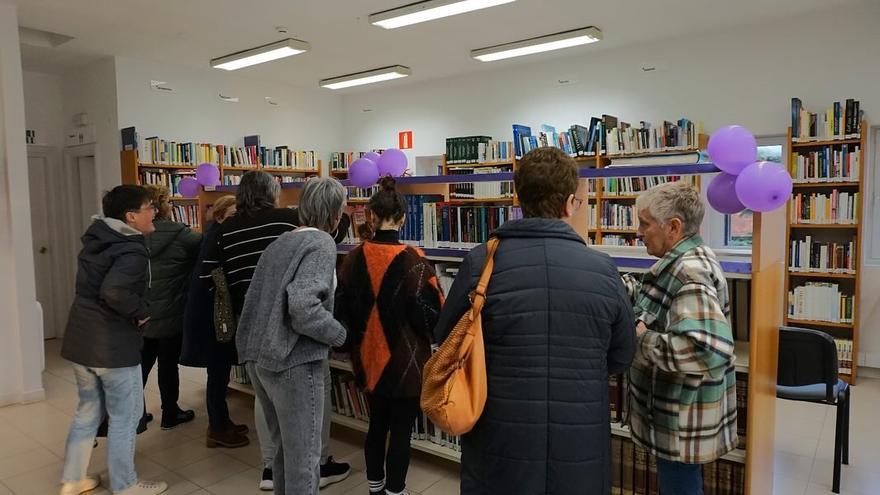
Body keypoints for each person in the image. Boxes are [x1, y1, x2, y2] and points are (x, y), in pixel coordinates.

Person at [433, 147, 636, 495]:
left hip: (498, 437)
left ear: (518, 197)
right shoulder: (604, 270)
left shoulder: (481, 262)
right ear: (571, 203)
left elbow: (447, 338)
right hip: (579, 439)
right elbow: (621, 356)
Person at [200, 172, 350, 491]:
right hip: (293, 362)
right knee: (305, 461)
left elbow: (258, 299)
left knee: (282, 453)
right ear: (336, 214)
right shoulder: (321, 243)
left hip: (260, 358)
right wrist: (339, 335)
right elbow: (303, 308)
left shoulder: (282, 242)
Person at [623, 180, 737, 495]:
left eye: (645, 224)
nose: (639, 231)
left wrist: (641, 341)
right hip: (681, 415)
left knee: (680, 487)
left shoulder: (690, 272)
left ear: (673, 227)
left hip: (680, 420)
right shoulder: (685, 259)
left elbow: (706, 350)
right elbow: (658, 300)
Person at [335, 177, 444, 495]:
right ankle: (396, 491)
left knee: (375, 426)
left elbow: (342, 310)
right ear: (403, 218)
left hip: (367, 359)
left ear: (369, 216)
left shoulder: (352, 258)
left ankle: (374, 488)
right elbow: (431, 316)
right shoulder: (415, 261)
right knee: (401, 432)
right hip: (406, 363)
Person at [59, 185, 168, 495]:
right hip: (112, 346)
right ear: (131, 216)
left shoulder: (97, 238)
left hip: (81, 341)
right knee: (126, 414)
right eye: (149, 207)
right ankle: (125, 483)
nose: (155, 212)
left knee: (88, 411)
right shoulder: (131, 248)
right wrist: (141, 312)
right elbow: (114, 292)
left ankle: (73, 479)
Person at [180, 195, 252, 448]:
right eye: (232, 216)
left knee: (219, 371)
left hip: (214, 312)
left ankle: (221, 421)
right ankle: (218, 427)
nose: (236, 221)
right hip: (213, 315)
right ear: (219, 216)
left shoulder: (217, 236)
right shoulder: (219, 238)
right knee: (218, 369)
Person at [140, 184, 202, 430]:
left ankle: (137, 414)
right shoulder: (181, 234)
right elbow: (207, 250)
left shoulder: (133, 235)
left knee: (140, 369)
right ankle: (170, 413)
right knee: (168, 365)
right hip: (173, 313)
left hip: (141, 315)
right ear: (166, 206)